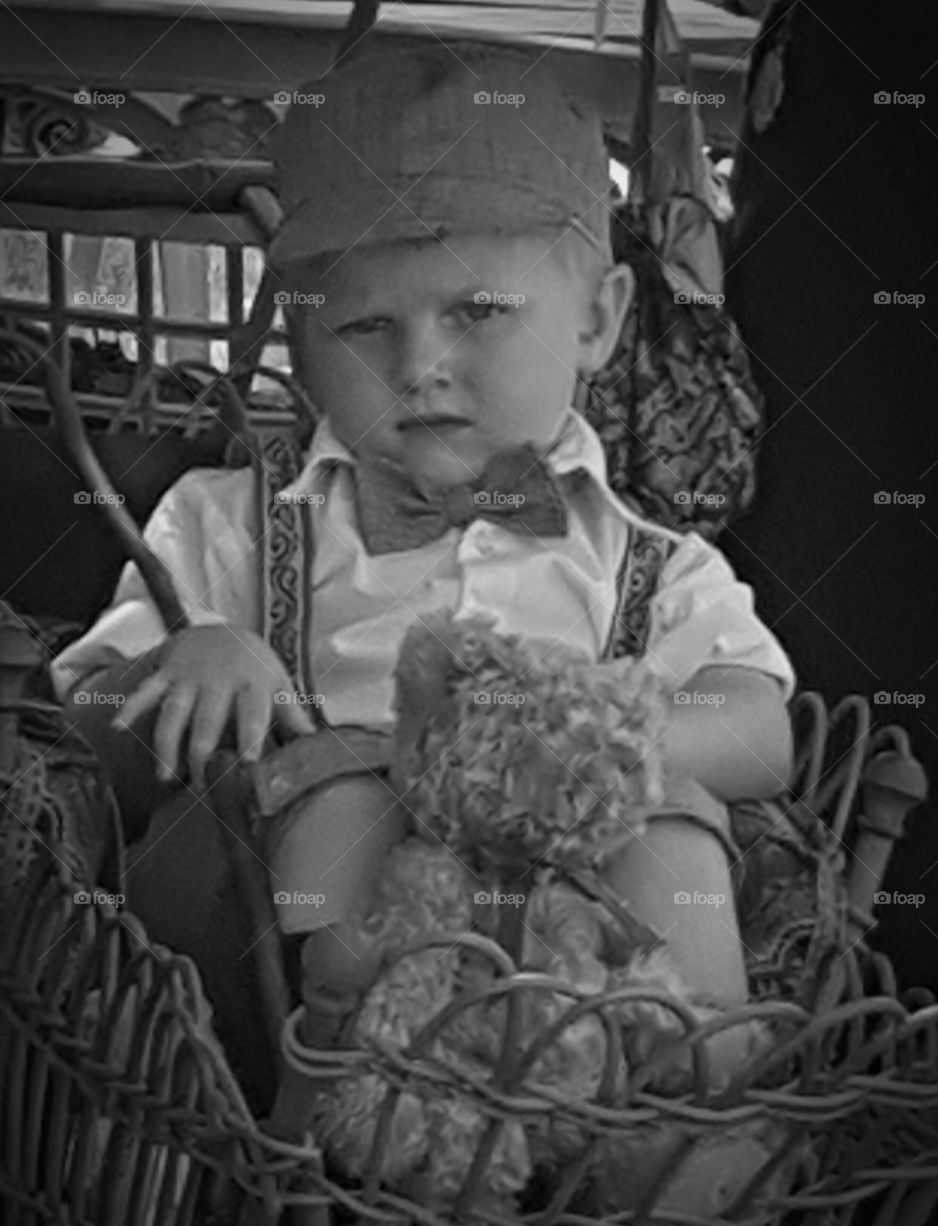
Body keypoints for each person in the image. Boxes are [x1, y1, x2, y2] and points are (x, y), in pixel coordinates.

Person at [51, 39, 795, 1105]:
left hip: (582, 979)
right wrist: (192, 655)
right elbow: (84, 714)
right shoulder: (229, 522)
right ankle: (345, 1115)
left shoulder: (648, 557)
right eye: (363, 324)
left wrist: (611, 736)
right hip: (306, 975)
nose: (418, 366)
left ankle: (694, 1103)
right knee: (332, 791)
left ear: (597, 320)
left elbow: (761, 725)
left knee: (673, 818)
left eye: (478, 312)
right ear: (302, 349)